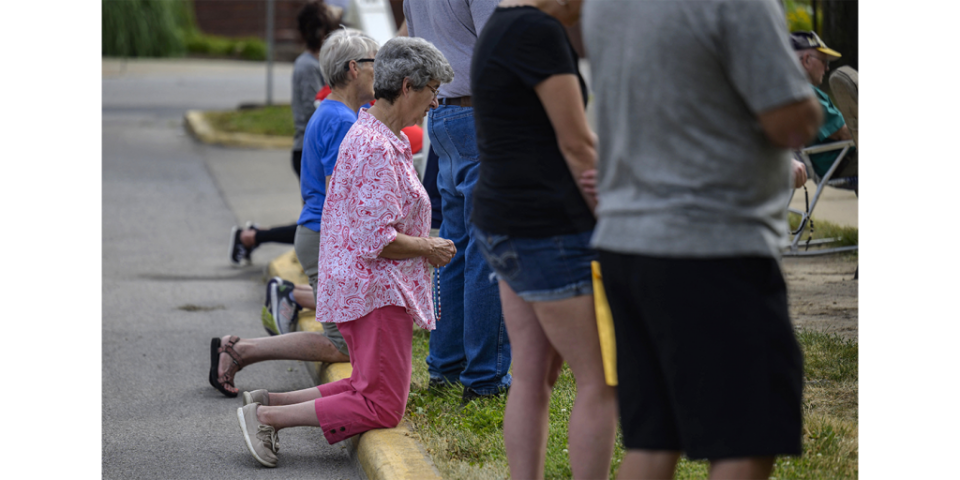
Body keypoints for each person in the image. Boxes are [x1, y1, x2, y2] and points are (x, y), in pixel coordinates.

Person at [583, 0, 823, 479]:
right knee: (746, 439)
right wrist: (808, 95)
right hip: (711, 243)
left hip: (626, 239)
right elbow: (789, 120)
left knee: (653, 439)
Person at [236, 37, 455, 469]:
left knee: (366, 384)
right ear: (408, 86)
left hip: (364, 288)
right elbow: (379, 239)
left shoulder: (373, 133)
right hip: (375, 290)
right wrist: (429, 246)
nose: (436, 101)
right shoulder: (376, 145)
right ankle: (266, 417)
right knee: (383, 405)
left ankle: (268, 402)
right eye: (433, 90)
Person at [470, 1, 617, 479]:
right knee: (602, 382)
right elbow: (577, 144)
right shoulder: (540, 30)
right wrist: (615, 217)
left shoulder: (499, 25)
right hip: (549, 230)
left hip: (504, 221)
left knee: (533, 376)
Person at [208, 28, 380, 399]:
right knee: (341, 345)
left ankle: (242, 347)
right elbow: (342, 196)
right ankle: (238, 351)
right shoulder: (340, 121)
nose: (378, 70)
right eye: (373, 63)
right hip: (326, 238)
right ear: (354, 68)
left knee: (349, 335)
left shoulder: (337, 111)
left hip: (320, 234)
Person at [404, 0, 513, 406]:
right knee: (489, 249)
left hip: (444, 114)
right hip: (480, 112)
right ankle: (485, 378)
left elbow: (419, 46)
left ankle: (446, 367)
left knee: (453, 247)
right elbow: (500, 47)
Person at [228, 1, 338, 266]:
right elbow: (318, 112)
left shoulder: (316, 63)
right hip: (307, 152)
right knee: (317, 223)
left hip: (310, 150)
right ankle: (250, 237)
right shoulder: (307, 66)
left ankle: (251, 236)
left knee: (319, 220)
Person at [791, 31, 858, 194]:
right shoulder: (805, 94)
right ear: (806, 60)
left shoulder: (784, 92)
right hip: (842, 163)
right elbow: (846, 133)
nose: (827, 68)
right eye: (824, 61)